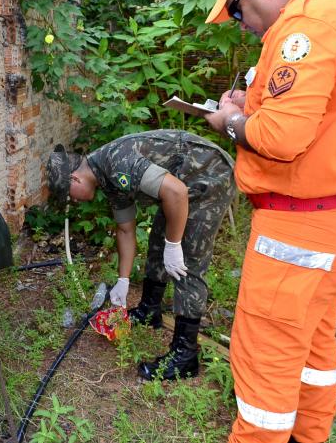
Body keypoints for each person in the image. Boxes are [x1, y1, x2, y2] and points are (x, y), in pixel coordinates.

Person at [202, 0, 336, 443]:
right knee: (311, 344)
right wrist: (253, 105)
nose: (242, 23)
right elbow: (322, 114)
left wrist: (231, 122)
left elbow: (282, 140)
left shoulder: (305, 29)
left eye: (238, 9)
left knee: (266, 355)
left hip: (304, 224)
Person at [46, 129, 235, 380]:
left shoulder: (117, 163)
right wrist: (123, 280)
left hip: (208, 175)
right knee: (159, 239)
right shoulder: (106, 178)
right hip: (181, 184)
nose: (74, 201)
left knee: (186, 258)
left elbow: (176, 193)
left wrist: (174, 244)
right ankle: (149, 310)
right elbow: (125, 230)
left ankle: (185, 355)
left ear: (75, 179)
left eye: (69, 195)